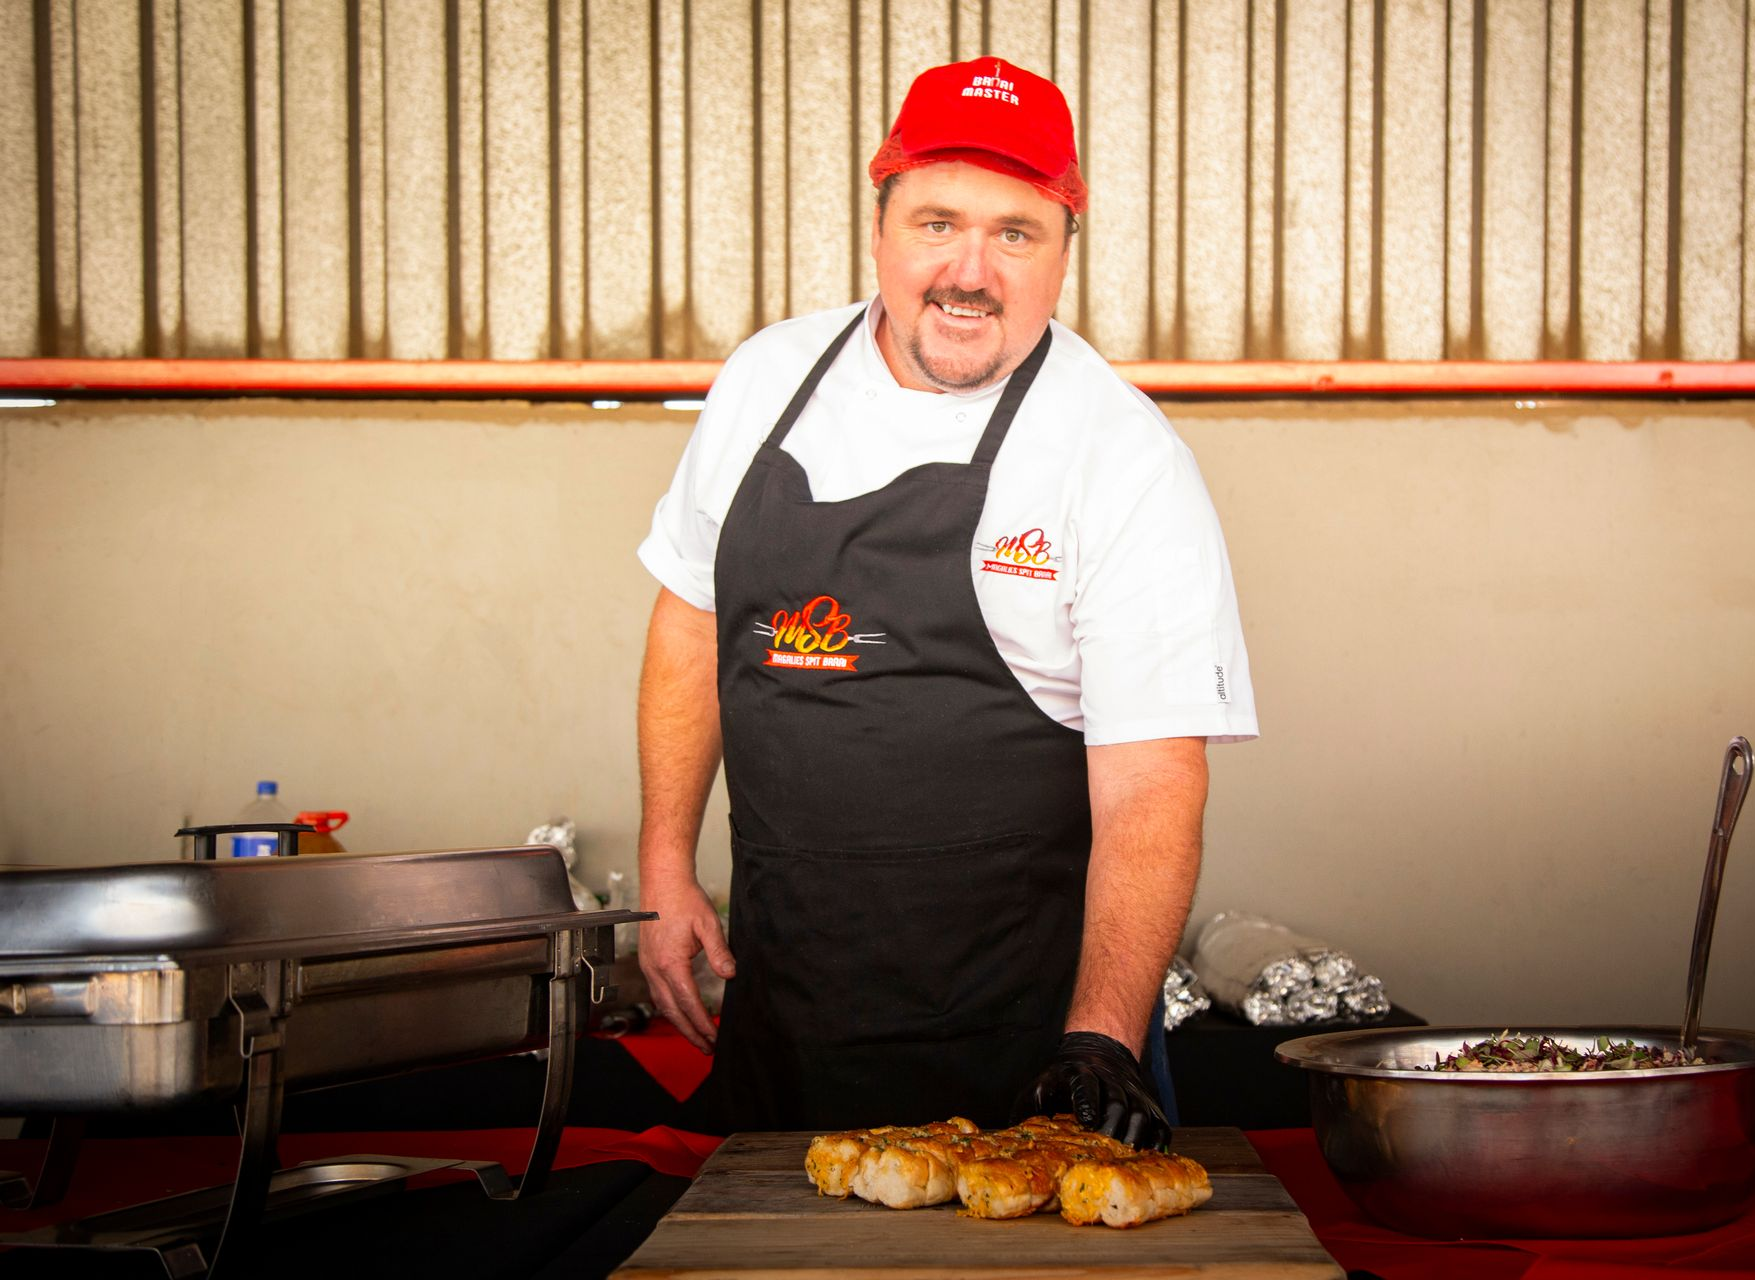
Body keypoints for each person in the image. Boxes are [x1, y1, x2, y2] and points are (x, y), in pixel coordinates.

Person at [634, 56, 1256, 1143]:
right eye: (938, 222)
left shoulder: (1120, 456)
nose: (970, 269)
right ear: (881, 230)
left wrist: (1103, 1037)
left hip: (1019, 1036)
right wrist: (662, 861)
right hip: (787, 1008)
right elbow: (692, 618)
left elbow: (1156, 777)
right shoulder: (766, 380)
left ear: (1064, 253)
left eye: (1016, 233)